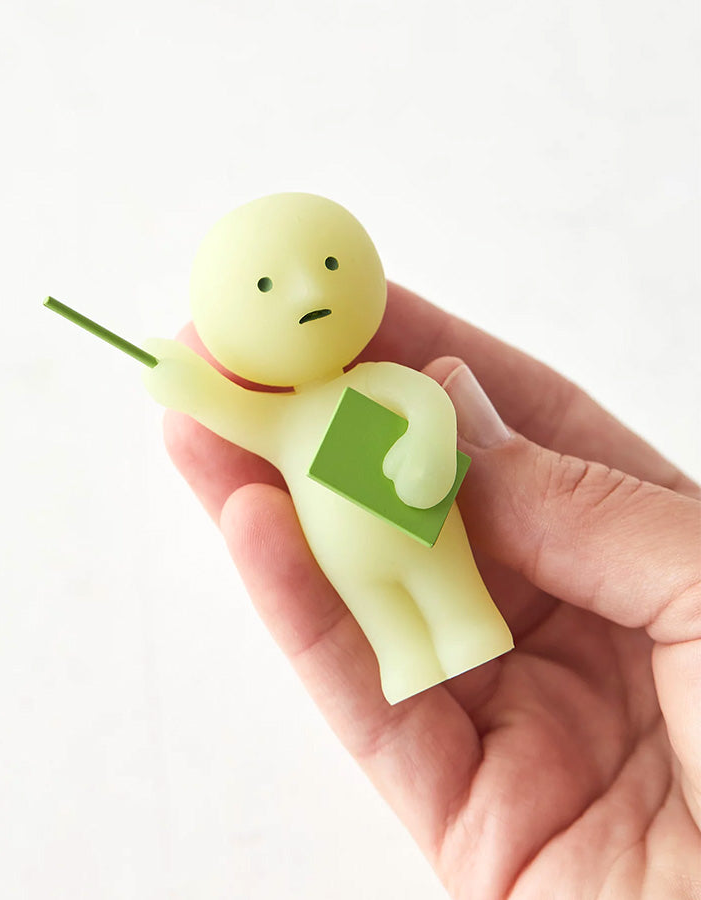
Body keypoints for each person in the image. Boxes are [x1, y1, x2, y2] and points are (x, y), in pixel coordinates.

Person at [161, 282, 701, 898]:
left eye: (331, 267)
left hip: (427, 531)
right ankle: (404, 656)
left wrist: (425, 451)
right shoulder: (279, 419)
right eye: (264, 287)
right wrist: (191, 387)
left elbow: (431, 409)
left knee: (448, 589)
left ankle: (472, 626)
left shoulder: (381, 382)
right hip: (352, 566)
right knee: (385, 617)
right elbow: (230, 410)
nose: (307, 291)